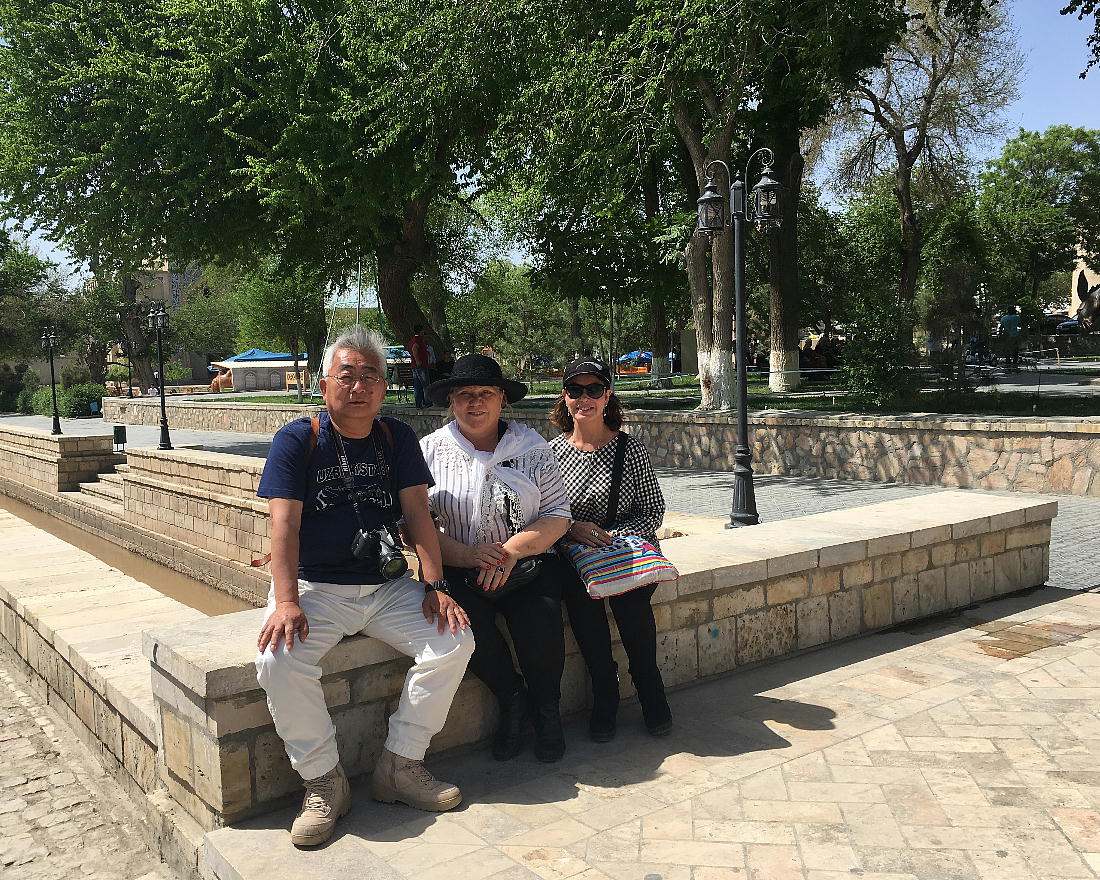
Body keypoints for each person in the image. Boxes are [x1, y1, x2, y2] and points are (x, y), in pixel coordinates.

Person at [254, 326, 473, 848]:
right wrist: (286, 601)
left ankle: (400, 765)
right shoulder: (298, 439)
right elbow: (283, 524)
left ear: (383, 387)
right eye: (346, 375)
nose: (359, 386)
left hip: (386, 586)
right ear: (324, 385)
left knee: (454, 641)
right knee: (279, 660)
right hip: (318, 587)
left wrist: (435, 585)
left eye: (370, 376)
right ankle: (324, 782)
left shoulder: (396, 437)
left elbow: (418, 515)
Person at [420, 354, 572, 762]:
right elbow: (416, 526)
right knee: (460, 629)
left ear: (502, 399)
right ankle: (512, 699)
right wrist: (468, 555)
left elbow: (558, 515)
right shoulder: (429, 451)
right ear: (452, 401)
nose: (476, 402)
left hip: (527, 563)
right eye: (465, 394)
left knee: (540, 620)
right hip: (458, 567)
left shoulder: (532, 448)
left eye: (486, 393)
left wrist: (509, 553)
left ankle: (547, 711)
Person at [549, 357, 672, 741]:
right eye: (576, 390)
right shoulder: (550, 454)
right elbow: (541, 513)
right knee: (582, 605)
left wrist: (609, 538)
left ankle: (648, 684)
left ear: (607, 396)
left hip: (625, 548)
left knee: (632, 604)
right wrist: (574, 530)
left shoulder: (629, 449)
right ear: (565, 397)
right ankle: (605, 688)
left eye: (594, 389)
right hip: (573, 553)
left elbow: (653, 509)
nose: (584, 398)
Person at [408, 324, 432, 408]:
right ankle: (427, 402)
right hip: (420, 365)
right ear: (420, 331)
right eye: (422, 330)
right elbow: (414, 348)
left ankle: (419, 403)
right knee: (425, 384)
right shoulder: (418, 340)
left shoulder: (414, 340)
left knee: (417, 385)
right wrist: (418, 360)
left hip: (415, 366)